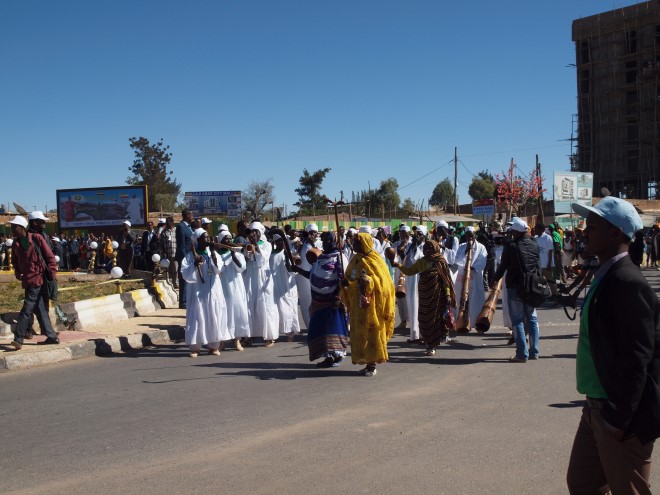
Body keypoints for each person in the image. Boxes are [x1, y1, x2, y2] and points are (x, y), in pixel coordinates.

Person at [566, 196, 660, 494]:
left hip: (619, 416)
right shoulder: (604, 274)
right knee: (583, 483)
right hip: (595, 406)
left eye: (592, 226)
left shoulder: (628, 282)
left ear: (615, 233)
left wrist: (619, 419)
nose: (584, 232)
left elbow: (638, 358)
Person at [293, 231, 350, 367]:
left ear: (334, 241)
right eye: (323, 240)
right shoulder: (321, 257)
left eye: (328, 240)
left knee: (334, 328)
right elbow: (313, 275)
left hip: (333, 301)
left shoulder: (340, 257)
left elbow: (344, 280)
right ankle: (327, 357)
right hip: (318, 301)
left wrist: (338, 297)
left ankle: (338, 355)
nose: (325, 243)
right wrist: (299, 270)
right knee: (320, 329)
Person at [390, 239, 456, 356]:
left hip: (437, 297)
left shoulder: (440, 261)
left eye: (430, 248)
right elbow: (410, 271)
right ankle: (428, 342)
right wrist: (398, 265)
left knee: (435, 320)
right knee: (424, 319)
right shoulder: (422, 261)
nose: (427, 250)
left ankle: (432, 345)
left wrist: (447, 295)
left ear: (435, 248)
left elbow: (446, 281)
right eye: (425, 248)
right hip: (424, 296)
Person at [343, 232, 395, 376]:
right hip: (357, 305)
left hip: (372, 305)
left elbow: (385, 284)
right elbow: (349, 275)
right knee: (360, 334)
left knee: (371, 333)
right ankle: (366, 362)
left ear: (365, 243)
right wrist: (346, 282)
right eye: (354, 242)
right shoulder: (355, 259)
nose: (354, 245)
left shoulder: (375, 260)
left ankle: (372, 364)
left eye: (357, 242)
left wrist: (370, 282)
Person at [492, 217, 541, 362]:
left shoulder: (511, 246)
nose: (510, 231)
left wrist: (495, 279)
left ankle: (522, 354)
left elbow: (503, 266)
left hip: (515, 286)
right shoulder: (534, 243)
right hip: (531, 285)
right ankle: (534, 352)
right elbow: (537, 265)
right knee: (532, 319)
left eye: (512, 229)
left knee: (518, 320)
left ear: (517, 231)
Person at [8, 215, 60, 349]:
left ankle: (18, 338)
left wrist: (52, 272)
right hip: (28, 280)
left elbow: (50, 256)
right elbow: (14, 261)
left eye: (14, 227)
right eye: (12, 227)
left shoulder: (36, 238)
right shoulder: (16, 244)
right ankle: (52, 336)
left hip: (38, 279)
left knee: (27, 309)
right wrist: (17, 272)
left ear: (22, 227)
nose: (12, 230)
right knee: (40, 308)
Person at [180, 228, 229, 358]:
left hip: (213, 291)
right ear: (197, 240)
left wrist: (213, 254)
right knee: (197, 317)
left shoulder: (212, 253)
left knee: (214, 316)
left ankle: (213, 347)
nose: (208, 240)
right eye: (205, 238)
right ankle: (195, 348)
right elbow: (185, 273)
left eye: (208, 237)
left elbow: (220, 269)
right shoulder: (190, 256)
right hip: (197, 292)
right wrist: (194, 265)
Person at [243, 221, 279, 346]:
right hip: (251, 277)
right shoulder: (247, 244)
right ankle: (249, 335)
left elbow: (263, 260)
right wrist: (245, 256)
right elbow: (244, 261)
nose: (253, 234)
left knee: (265, 305)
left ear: (260, 232)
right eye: (252, 231)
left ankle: (269, 337)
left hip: (263, 277)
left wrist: (256, 246)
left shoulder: (267, 245)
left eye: (256, 232)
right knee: (250, 304)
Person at [216, 231, 249, 351]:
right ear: (221, 241)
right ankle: (222, 342)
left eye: (230, 239)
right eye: (226, 239)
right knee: (223, 314)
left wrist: (233, 255)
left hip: (236, 287)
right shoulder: (216, 254)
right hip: (222, 287)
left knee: (237, 312)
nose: (229, 241)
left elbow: (241, 268)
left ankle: (237, 340)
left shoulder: (237, 252)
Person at [453, 226, 488, 330]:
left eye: (472, 235)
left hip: (475, 277)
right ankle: (461, 322)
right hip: (462, 277)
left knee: (475, 300)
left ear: (475, 235)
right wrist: (466, 252)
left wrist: (473, 267)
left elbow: (483, 261)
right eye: (468, 236)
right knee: (461, 299)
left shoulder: (481, 247)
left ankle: (474, 323)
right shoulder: (462, 246)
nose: (470, 238)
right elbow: (457, 260)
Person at [270, 233, 301, 341]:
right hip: (275, 285)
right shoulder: (271, 254)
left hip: (287, 286)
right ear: (275, 242)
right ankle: (275, 332)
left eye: (283, 241)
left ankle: (290, 333)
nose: (282, 243)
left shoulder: (289, 253)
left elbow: (292, 270)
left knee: (288, 309)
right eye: (280, 241)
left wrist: (288, 259)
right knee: (277, 310)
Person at [295, 223, 322, 329]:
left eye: (315, 232)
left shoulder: (316, 245)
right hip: (303, 278)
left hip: (312, 277)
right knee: (307, 303)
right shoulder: (304, 245)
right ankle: (311, 327)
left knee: (314, 303)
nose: (314, 235)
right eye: (311, 233)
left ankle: (315, 326)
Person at [175, 209, 194, 309]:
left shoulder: (189, 227)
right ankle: (183, 302)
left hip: (190, 256)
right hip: (184, 257)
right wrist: (184, 259)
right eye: (191, 215)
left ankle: (187, 299)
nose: (192, 217)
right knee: (183, 279)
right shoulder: (180, 227)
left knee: (188, 278)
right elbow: (181, 244)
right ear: (187, 216)